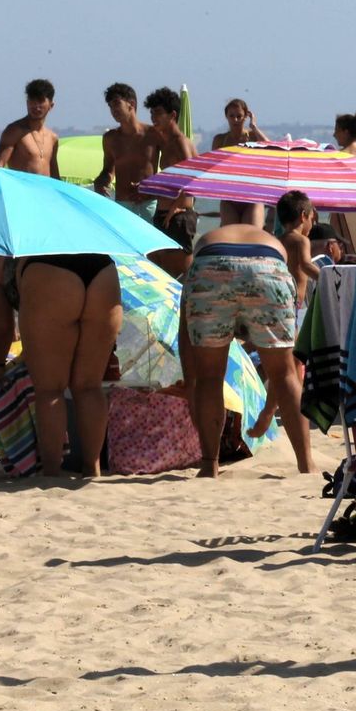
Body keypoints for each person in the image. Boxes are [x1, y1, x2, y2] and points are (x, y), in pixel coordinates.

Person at [181, 223, 311, 476]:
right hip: (268, 267)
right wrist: (267, 412)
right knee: (284, 374)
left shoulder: (212, 237)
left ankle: (209, 464)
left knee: (210, 377)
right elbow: (291, 368)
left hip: (210, 265)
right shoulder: (270, 240)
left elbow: (186, 340)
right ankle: (306, 464)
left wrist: (191, 388)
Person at [16, 252, 121, 476]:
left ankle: (52, 471)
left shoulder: (27, 226)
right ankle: (92, 468)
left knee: (49, 389)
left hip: (48, 266)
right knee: (90, 386)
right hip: (102, 269)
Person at [0, 79, 61, 379]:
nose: (36, 104)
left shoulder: (53, 138)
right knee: (4, 284)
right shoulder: (14, 131)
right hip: (16, 216)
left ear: (51, 104)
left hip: (42, 220)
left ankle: (32, 354)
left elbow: (54, 178)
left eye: (41, 100)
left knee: (37, 288)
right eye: (32, 99)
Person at [144, 88, 199, 278]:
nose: (153, 117)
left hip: (178, 216)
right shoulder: (165, 142)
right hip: (164, 213)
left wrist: (175, 207)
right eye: (151, 113)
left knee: (180, 274)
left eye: (158, 113)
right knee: (160, 272)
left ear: (172, 115)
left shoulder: (180, 142)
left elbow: (194, 177)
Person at [93, 83, 159, 219]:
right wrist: (100, 182)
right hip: (123, 204)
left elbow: (170, 167)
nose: (113, 109)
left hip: (149, 203)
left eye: (116, 103)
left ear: (131, 104)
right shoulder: (110, 138)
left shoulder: (153, 134)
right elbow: (108, 170)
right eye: (110, 106)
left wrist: (148, 187)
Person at [212, 98, 267, 226]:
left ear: (245, 117)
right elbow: (212, 167)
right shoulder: (220, 140)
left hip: (252, 195)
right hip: (229, 196)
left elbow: (271, 148)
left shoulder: (253, 137)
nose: (235, 120)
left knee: (252, 236)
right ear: (226, 116)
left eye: (239, 116)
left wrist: (254, 126)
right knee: (231, 238)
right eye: (232, 116)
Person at [275, 191, 320, 324]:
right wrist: (327, 277)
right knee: (292, 334)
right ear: (303, 216)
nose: (312, 224)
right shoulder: (301, 240)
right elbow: (306, 264)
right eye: (312, 219)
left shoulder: (278, 240)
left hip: (277, 294)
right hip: (292, 300)